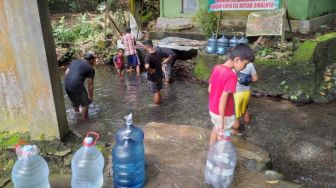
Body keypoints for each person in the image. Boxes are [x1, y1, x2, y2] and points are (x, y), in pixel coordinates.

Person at [208, 44, 254, 145]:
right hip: (223, 114)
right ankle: (221, 158)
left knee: (216, 128)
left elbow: (210, 89)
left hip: (212, 109)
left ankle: (211, 149)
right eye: (245, 64)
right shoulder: (231, 75)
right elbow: (223, 99)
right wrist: (221, 120)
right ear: (237, 60)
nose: (244, 68)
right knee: (223, 136)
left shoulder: (217, 68)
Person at [64, 52, 95, 119]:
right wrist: (91, 97)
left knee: (75, 103)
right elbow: (90, 84)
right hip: (76, 84)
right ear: (91, 60)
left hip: (66, 84)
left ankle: (77, 116)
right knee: (85, 104)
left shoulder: (74, 61)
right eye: (93, 61)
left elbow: (66, 73)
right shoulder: (91, 68)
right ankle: (84, 123)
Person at [234, 62, 258, 131]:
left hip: (236, 93)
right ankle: (247, 126)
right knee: (245, 110)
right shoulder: (249, 64)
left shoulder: (234, 62)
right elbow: (255, 78)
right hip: (246, 92)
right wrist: (246, 80)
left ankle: (237, 132)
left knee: (235, 115)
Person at [143, 39, 163, 106]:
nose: (144, 47)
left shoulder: (148, 56)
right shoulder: (158, 52)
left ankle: (156, 104)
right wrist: (162, 63)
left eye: (144, 46)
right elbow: (169, 56)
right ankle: (159, 102)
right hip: (160, 75)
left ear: (147, 45)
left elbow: (146, 66)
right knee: (158, 90)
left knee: (155, 92)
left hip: (153, 77)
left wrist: (150, 70)